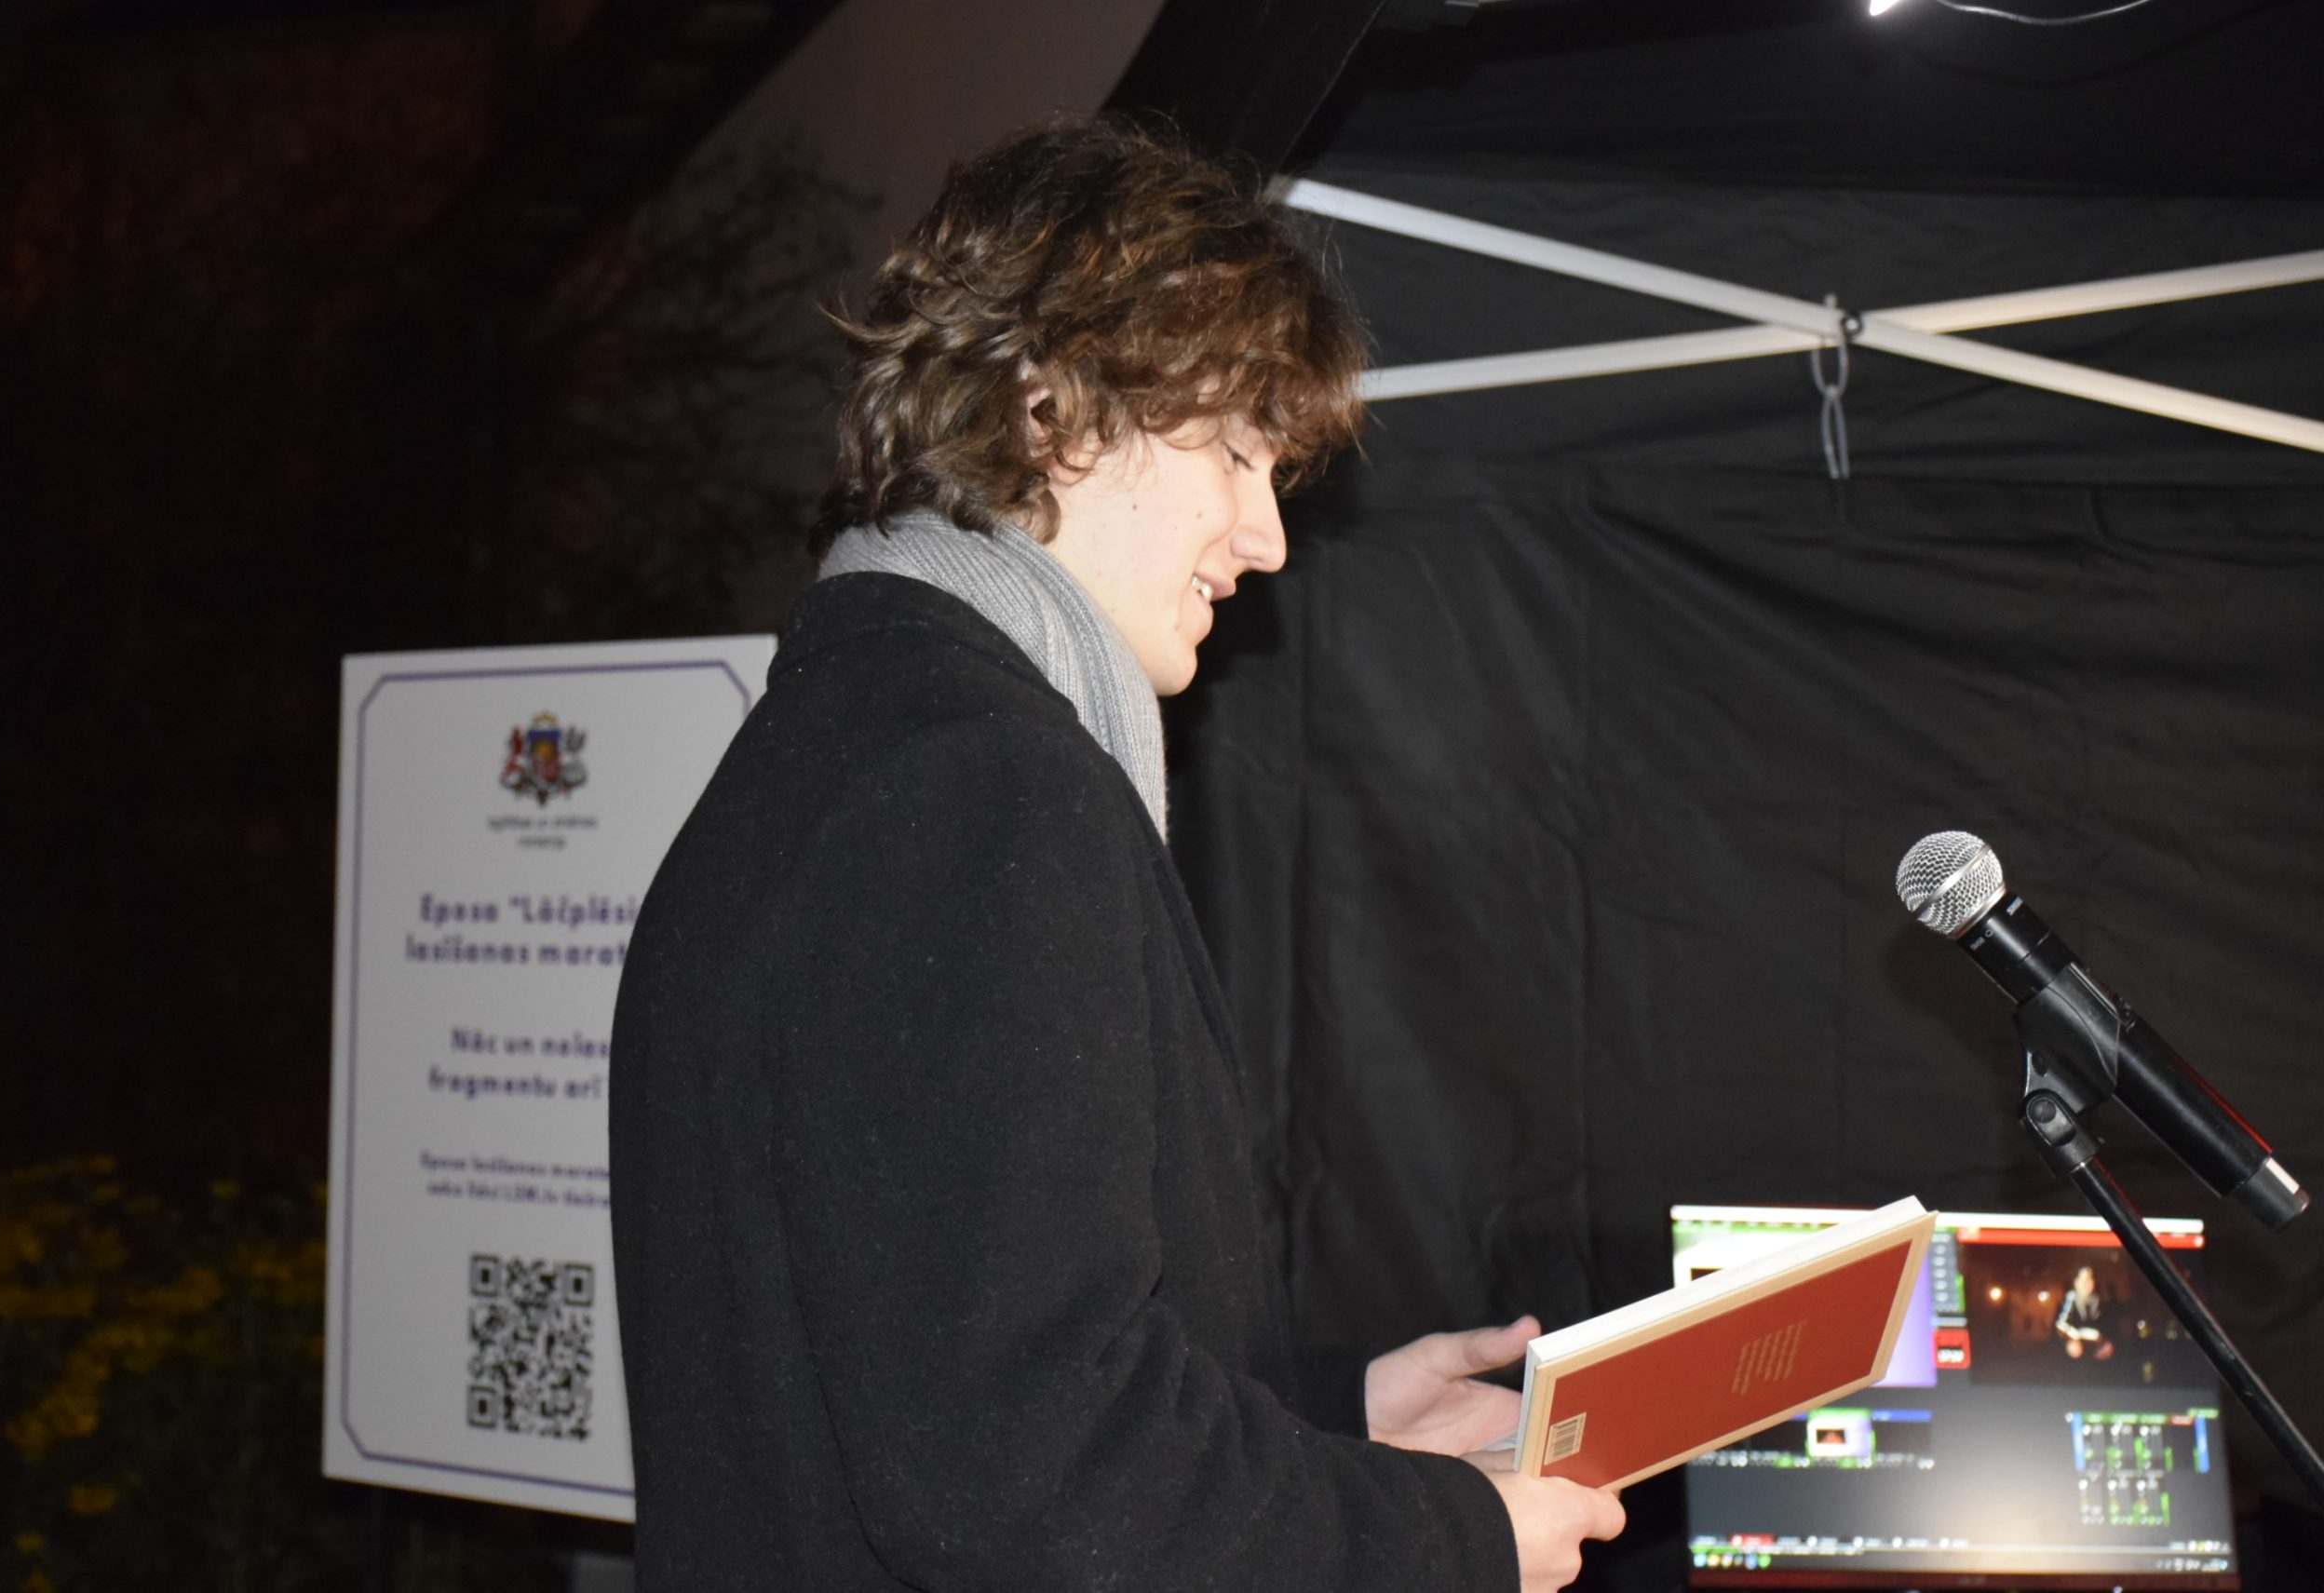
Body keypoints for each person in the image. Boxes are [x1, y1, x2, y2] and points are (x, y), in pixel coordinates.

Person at [608, 115, 1624, 1592]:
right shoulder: (977, 787)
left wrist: (1337, 1418)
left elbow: (918, 1364)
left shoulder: (839, 750)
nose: (1267, 537)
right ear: (1052, 410)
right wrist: (1448, 1534)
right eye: (1234, 451)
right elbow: (1028, 1470)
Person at [2056, 1264, 2111, 1359]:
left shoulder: (2097, 1301)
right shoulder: (2070, 1299)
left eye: (2089, 1279)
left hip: (2095, 1356)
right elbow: (2060, 1325)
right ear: (2075, 1282)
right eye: (2083, 1280)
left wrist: (2105, 1344)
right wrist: (2073, 1339)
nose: (2086, 1284)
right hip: (2074, 1357)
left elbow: (2104, 1327)